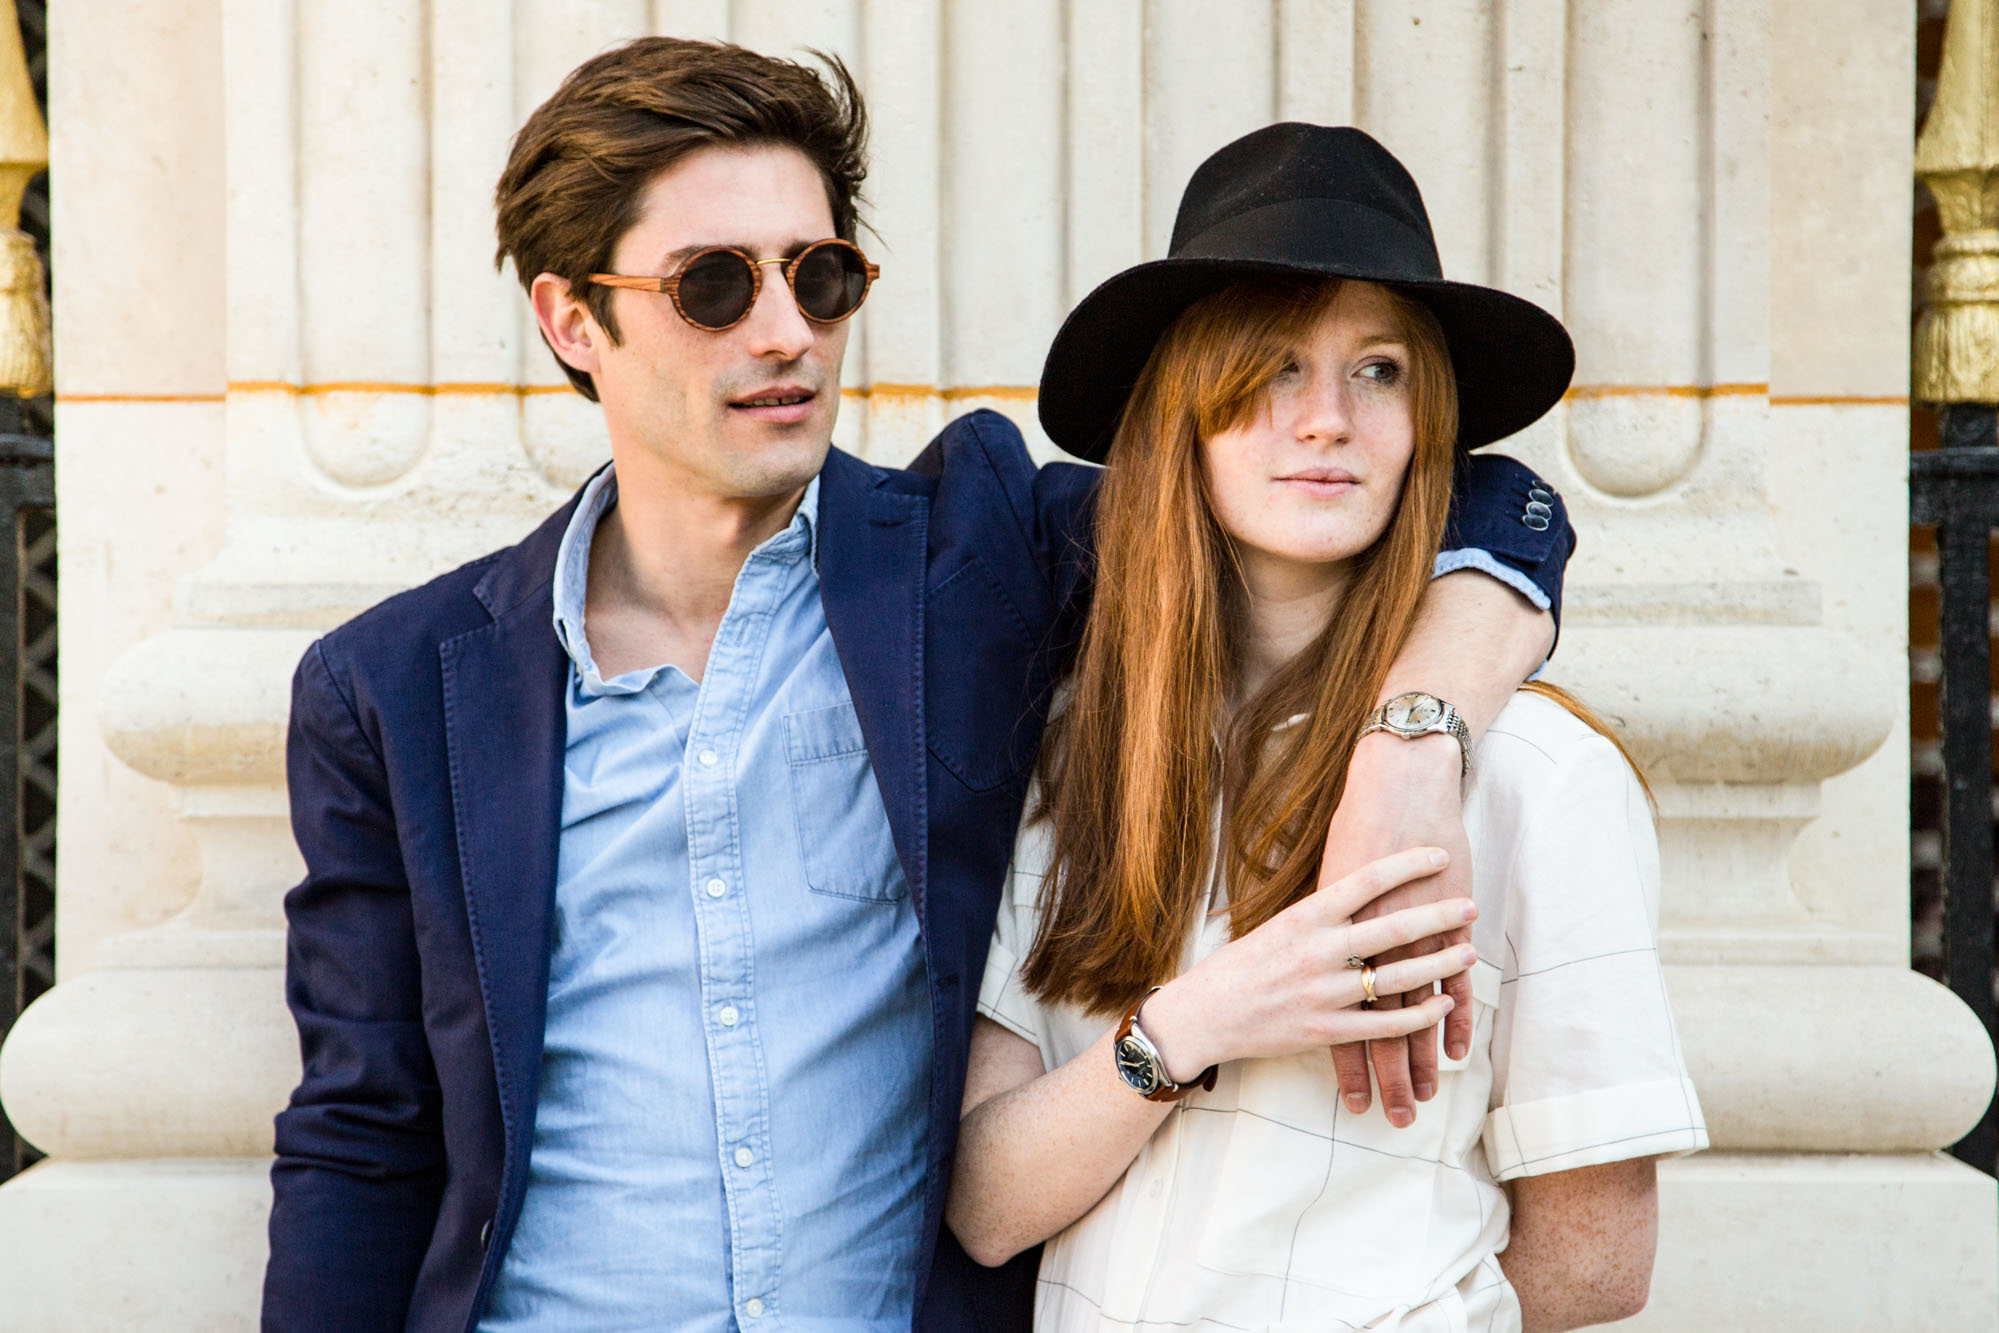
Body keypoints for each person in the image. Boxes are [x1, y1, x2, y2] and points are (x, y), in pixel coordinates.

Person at [260, 41, 1576, 1333]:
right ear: (570, 318)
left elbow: (1474, 496)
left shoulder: (978, 562)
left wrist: (1412, 744)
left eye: (819, 276)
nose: (788, 333)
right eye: (714, 286)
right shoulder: (394, 691)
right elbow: (361, 1137)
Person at [947, 125, 1708, 1332]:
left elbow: (1596, 1260)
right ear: (1183, 413)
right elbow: (985, 1206)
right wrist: (1199, 1019)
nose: (1325, 420)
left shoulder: (1538, 778)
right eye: (1273, 367)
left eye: (1379, 371)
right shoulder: (1077, 751)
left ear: (1426, 422)